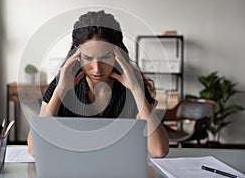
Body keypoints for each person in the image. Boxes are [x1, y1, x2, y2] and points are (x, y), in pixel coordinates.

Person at [27, 10, 169, 158]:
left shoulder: (132, 85)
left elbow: (159, 150)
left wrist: (136, 89)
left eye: (106, 57)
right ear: (77, 55)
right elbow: (34, 150)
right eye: (88, 58)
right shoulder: (62, 82)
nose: (97, 69)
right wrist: (61, 90)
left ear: (117, 53)